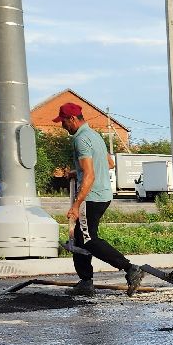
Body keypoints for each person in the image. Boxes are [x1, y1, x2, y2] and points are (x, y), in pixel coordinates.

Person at [56, 103, 144, 297]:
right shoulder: (95, 136)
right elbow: (109, 163)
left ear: (72, 119)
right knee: (79, 238)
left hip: (91, 196)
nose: (62, 126)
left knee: (88, 240)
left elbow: (89, 176)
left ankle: (130, 268)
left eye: (63, 121)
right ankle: (85, 282)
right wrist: (74, 172)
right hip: (102, 195)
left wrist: (76, 205)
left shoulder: (81, 140)